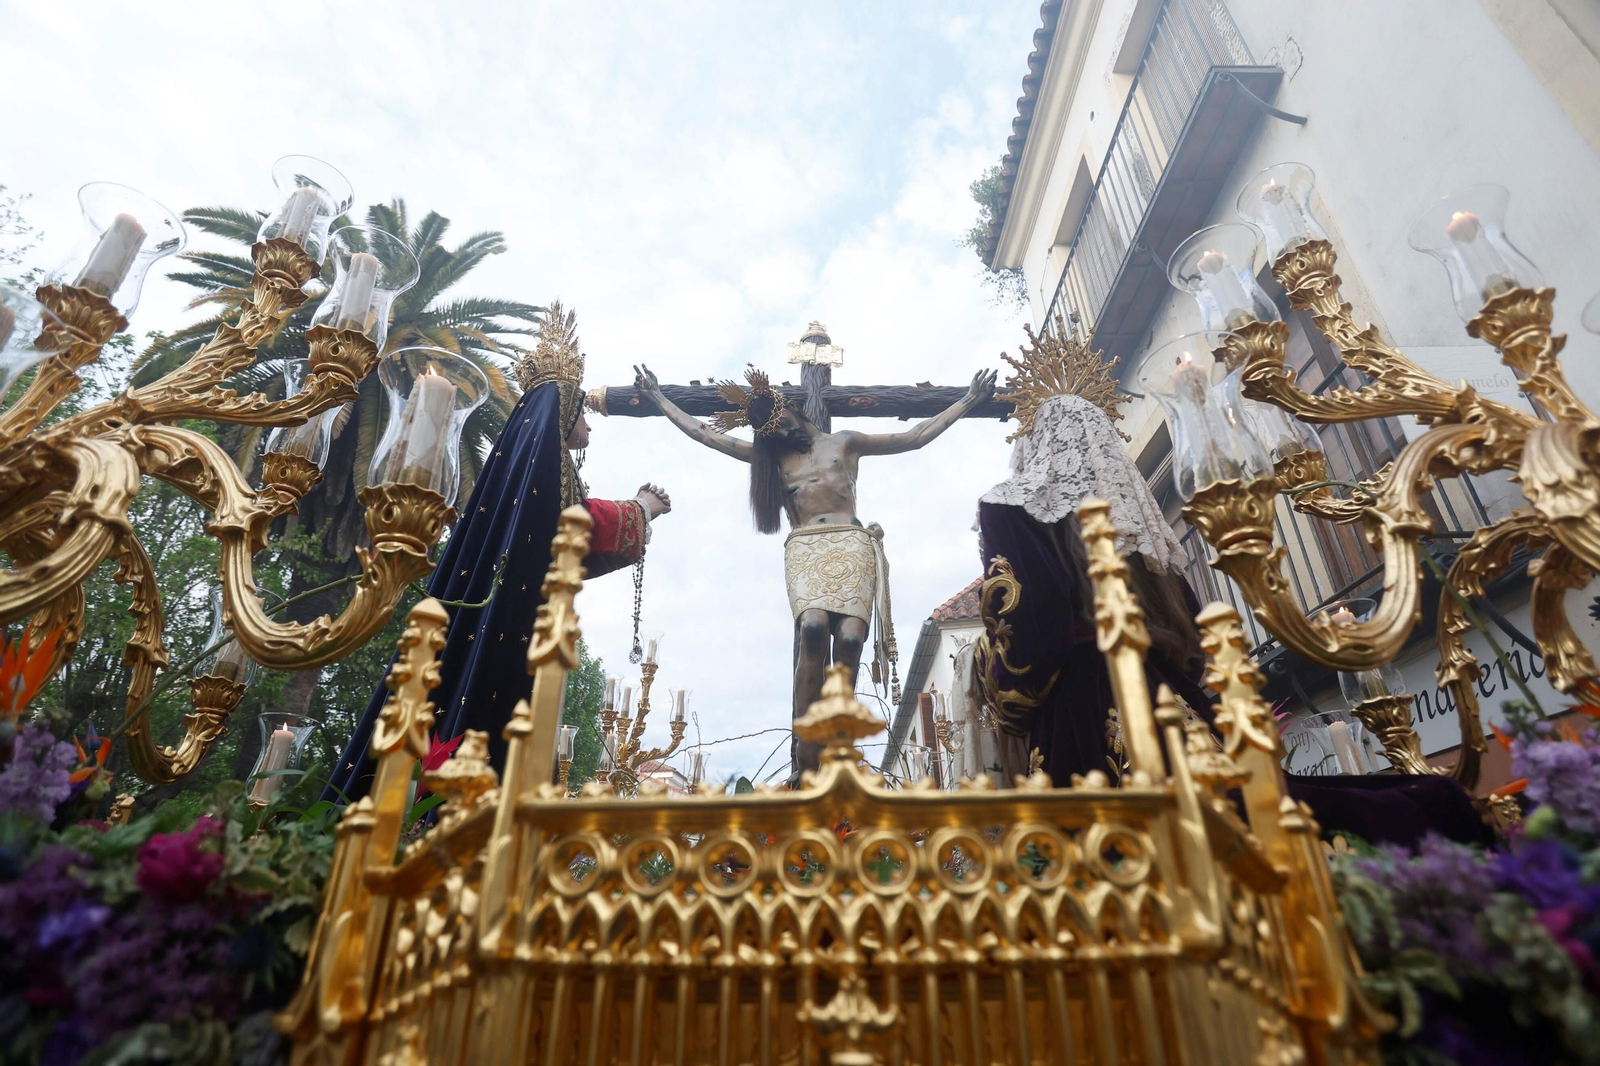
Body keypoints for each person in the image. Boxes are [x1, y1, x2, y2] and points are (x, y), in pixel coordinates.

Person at [976, 391, 1491, 849]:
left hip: (1084, 712)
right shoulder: (1140, 537)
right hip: (1171, 701)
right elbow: (1194, 645)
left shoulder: (1015, 513)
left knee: (1153, 844)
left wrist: (993, 681)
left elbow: (1028, 645)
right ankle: (1431, 805)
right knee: (1258, 811)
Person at [327, 303, 671, 802]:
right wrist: (640, 508)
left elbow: (554, 548)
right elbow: (566, 524)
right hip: (512, 620)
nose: (590, 429)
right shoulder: (541, 463)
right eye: (584, 417)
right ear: (567, 408)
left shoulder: (535, 459)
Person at [634, 361, 996, 777]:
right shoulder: (771, 460)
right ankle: (807, 758)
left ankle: (837, 745)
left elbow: (913, 438)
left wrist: (967, 400)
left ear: (797, 410)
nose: (785, 435)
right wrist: (660, 399)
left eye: (786, 424)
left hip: (851, 544)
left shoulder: (844, 443)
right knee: (811, 629)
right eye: (775, 434)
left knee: (850, 639)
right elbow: (707, 435)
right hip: (805, 547)